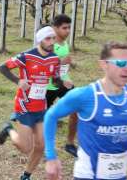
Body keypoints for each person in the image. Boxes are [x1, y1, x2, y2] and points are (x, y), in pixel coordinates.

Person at [44, 41, 127, 180]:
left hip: (120, 175)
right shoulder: (85, 95)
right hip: (87, 175)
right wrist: (51, 157)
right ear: (103, 64)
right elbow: (51, 115)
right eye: (121, 63)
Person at [0, 26, 70, 180]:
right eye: (47, 39)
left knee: (41, 146)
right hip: (24, 105)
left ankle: (26, 176)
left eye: (53, 38)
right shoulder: (26, 56)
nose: (51, 42)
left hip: (41, 106)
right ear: (40, 40)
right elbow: (2, 67)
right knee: (25, 147)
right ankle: (8, 129)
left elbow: (55, 81)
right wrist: (18, 81)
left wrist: (63, 83)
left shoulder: (55, 59)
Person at [46, 14, 79, 157]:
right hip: (47, 87)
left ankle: (70, 143)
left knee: (77, 108)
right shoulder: (48, 46)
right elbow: (46, 68)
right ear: (55, 28)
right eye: (64, 28)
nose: (68, 31)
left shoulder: (64, 44)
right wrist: (62, 63)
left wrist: (66, 66)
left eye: (69, 28)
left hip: (63, 83)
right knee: (39, 119)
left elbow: (63, 66)